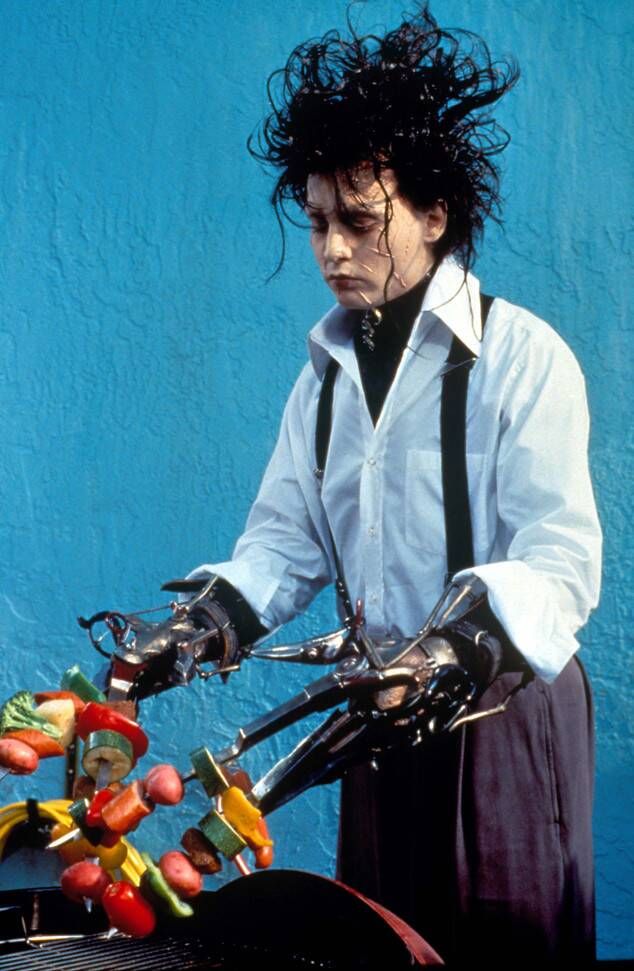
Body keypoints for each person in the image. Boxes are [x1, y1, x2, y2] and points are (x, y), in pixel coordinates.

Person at [164, 7, 602, 964]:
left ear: (434, 215)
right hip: (375, 720)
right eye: (318, 222)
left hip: (501, 722)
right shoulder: (321, 377)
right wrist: (204, 625)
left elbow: (562, 562)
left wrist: (456, 647)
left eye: (360, 222)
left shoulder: (524, 358)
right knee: (380, 945)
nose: (331, 250)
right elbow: (286, 544)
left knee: (502, 946)